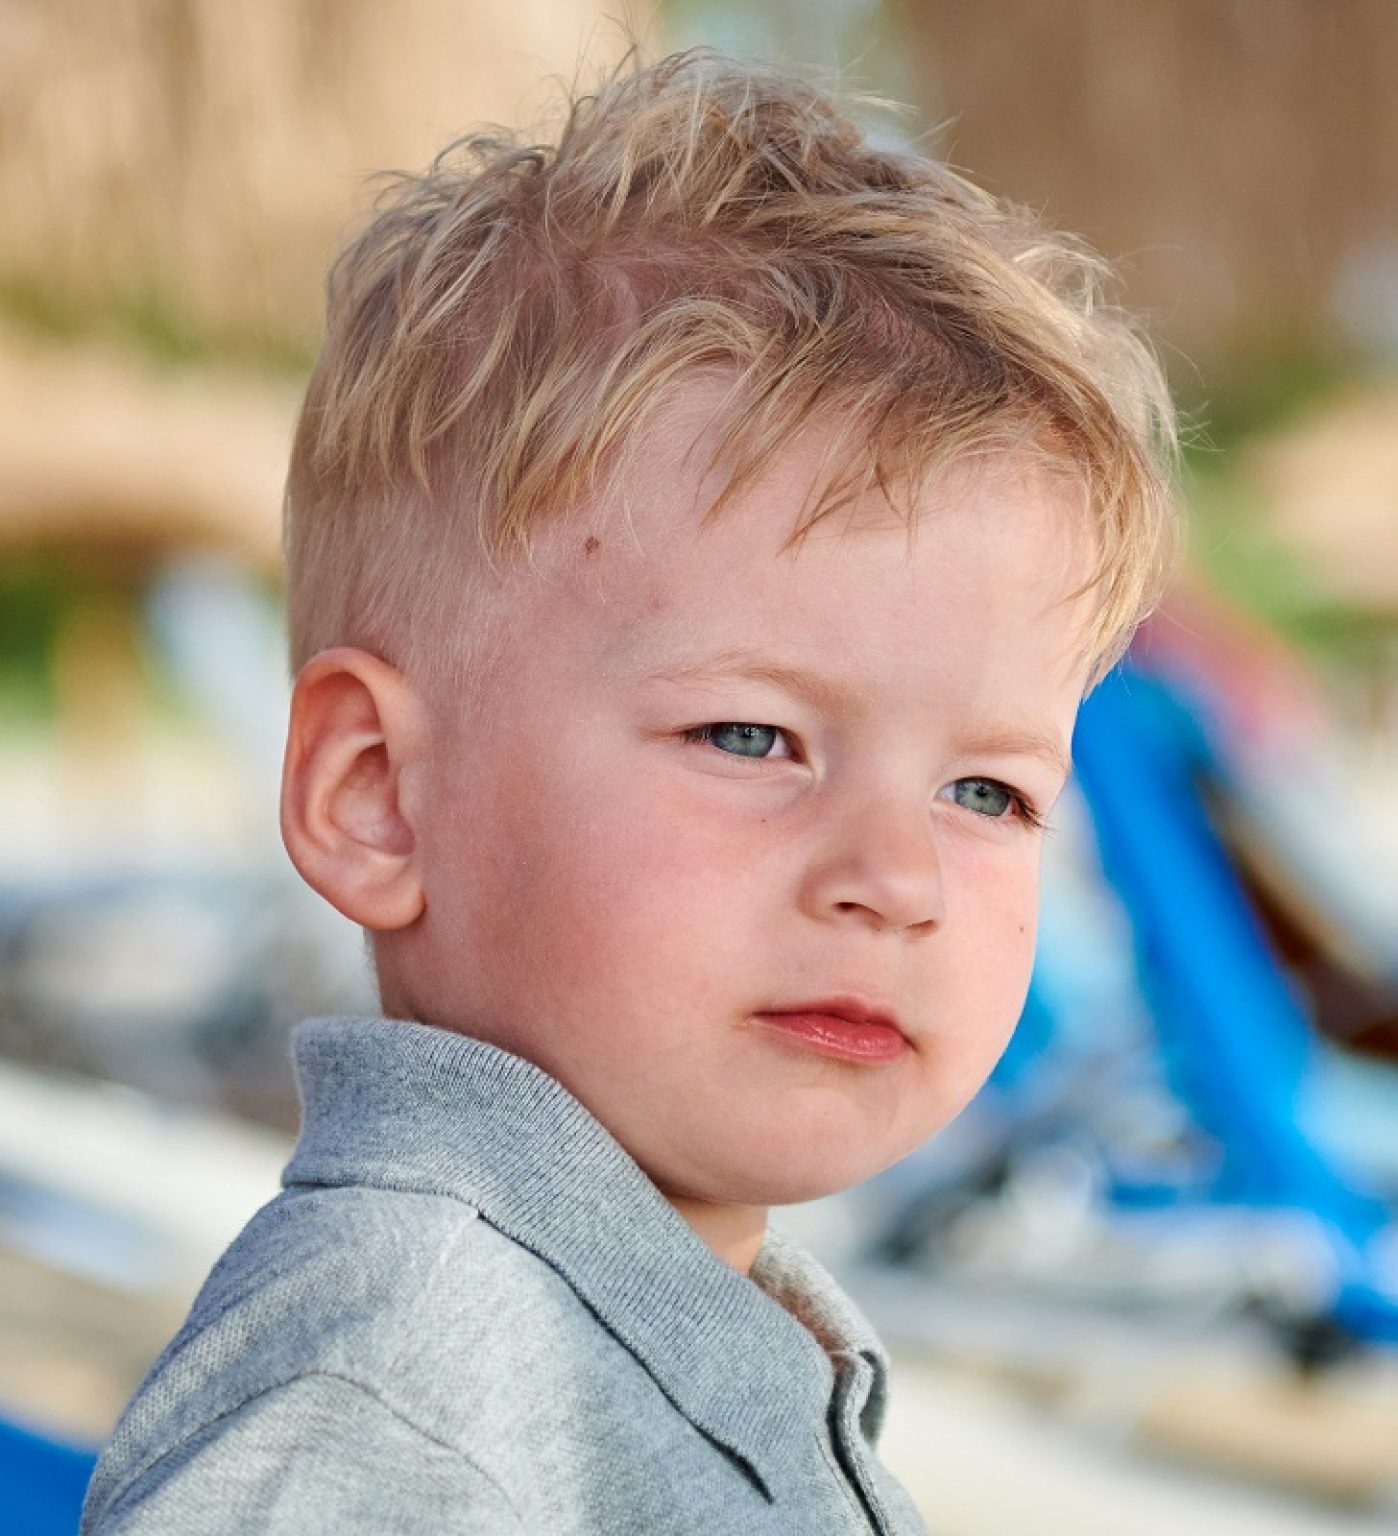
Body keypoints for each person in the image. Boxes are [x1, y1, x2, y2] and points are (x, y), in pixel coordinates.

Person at [81, 47, 1176, 1535]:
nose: (895, 879)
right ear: (376, 795)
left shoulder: (696, 1327)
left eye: (984, 792)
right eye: (750, 739)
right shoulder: (395, 1383)